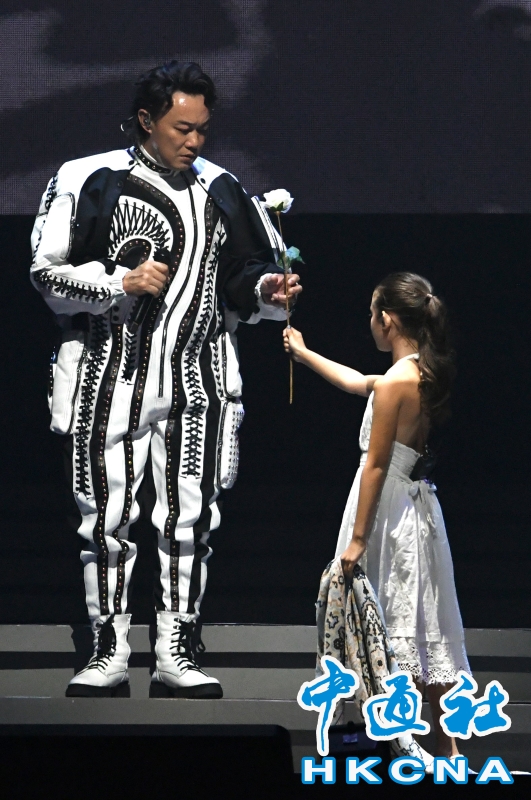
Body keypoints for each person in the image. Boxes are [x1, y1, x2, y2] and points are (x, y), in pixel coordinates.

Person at [30, 60, 301, 699]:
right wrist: (116, 282)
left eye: (203, 129)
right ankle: (108, 648)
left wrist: (268, 289)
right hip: (108, 375)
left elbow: (245, 274)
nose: (195, 141)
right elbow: (46, 272)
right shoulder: (88, 178)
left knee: (189, 519)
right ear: (146, 120)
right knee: (105, 518)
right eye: (183, 128)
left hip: (198, 379)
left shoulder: (222, 189)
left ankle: (176, 648)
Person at [284, 272, 470, 759]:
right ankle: (446, 748)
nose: (370, 322)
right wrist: (304, 353)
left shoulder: (396, 383)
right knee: (424, 623)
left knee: (392, 619)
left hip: (387, 510)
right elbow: (356, 381)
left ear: (387, 320)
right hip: (415, 506)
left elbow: (376, 465)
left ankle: (408, 746)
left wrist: (358, 539)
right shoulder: (418, 372)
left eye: (372, 313)